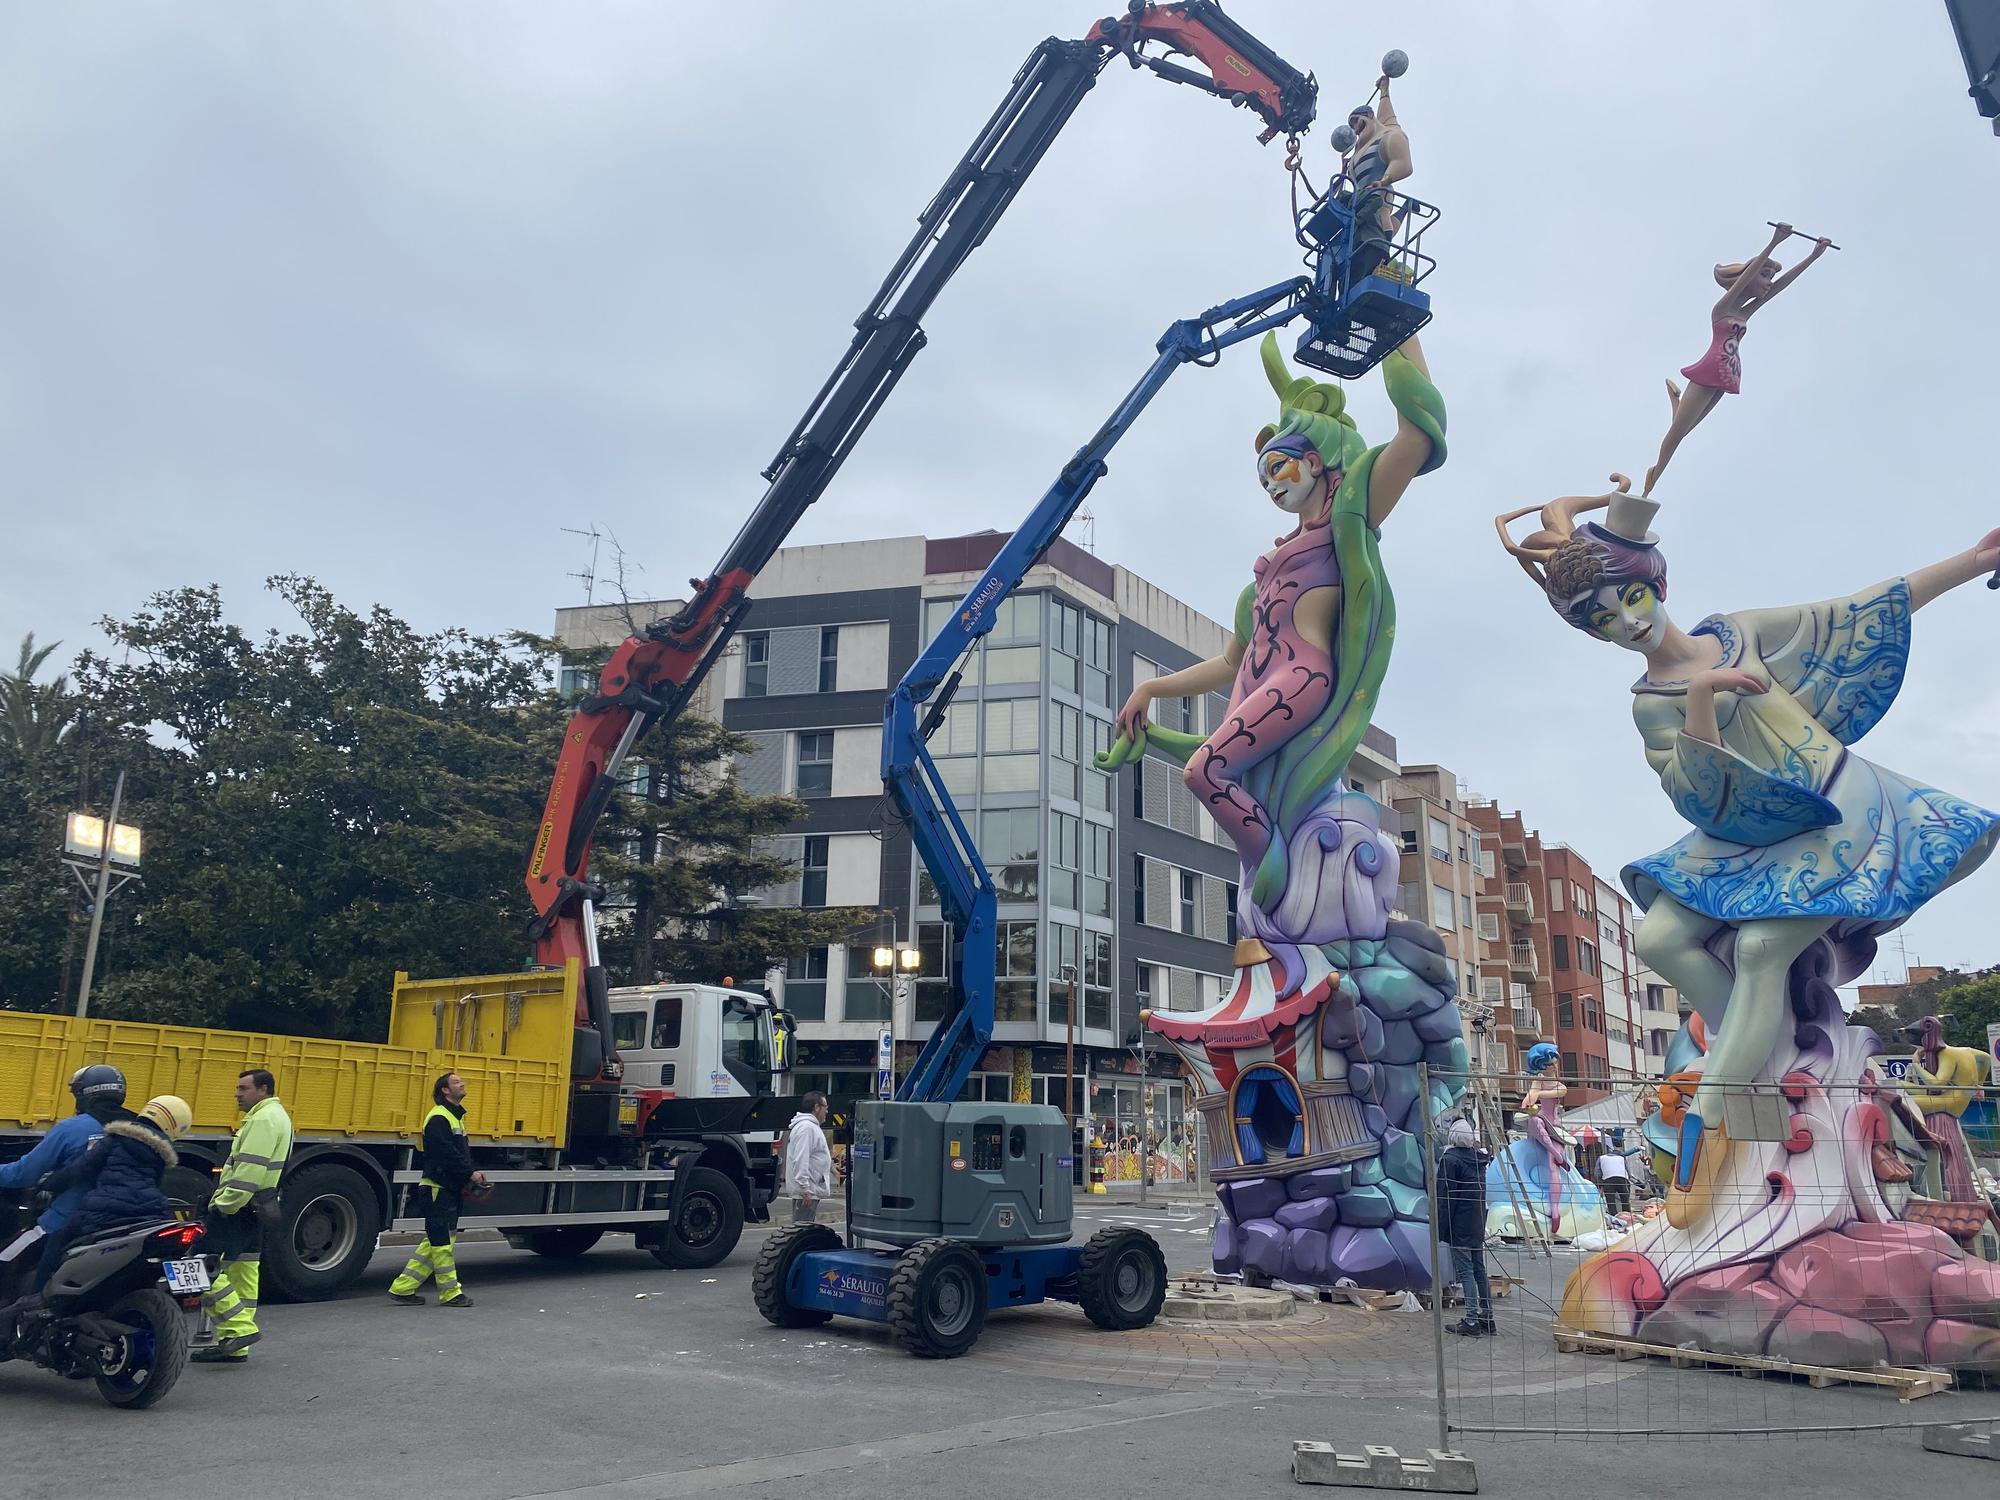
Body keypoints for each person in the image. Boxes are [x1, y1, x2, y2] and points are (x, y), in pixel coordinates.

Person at [1498, 483, 2000, 1226]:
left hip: (1833, 807)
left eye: (1628, 600)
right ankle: (1757, 1059)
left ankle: (1717, 1116)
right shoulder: (1648, 700)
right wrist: (1700, 698)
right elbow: (1689, 790)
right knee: (1657, 935)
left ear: (1653, 583)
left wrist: (1975, 559)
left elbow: (1850, 617)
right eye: (1602, 620)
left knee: (1765, 948)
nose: (1625, 623)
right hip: (1744, 828)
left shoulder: (1737, 632)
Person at [1642, 223, 1832, 495]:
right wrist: (1774, 242)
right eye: (1764, 275)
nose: (1768, 283)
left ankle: (1677, 404)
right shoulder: (1723, 309)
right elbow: (1745, 280)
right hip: (1710, 370)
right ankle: (1653, 477)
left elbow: (1781, 287)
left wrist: (1813, 257)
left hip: (1727, 373)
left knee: (1686, 428)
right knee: (1676, 435)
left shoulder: (1745, 313)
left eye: (1768, 276)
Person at [33, 1095, 193, 1285]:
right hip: (150, 1212)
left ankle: (36, 1295)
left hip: (102, 1209)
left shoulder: (115, 1139)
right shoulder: (162, 1154)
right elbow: (155, 1184)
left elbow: (80, 1169)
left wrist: (47, 1184)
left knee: (57, 1239)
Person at [195, 1068, 295, 1364]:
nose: (236, 1094)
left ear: (262, 1090)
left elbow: (249, 1170)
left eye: (243, 1088)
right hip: (257, 1208)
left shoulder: (263, 1119)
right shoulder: (276, 1116)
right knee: (244, 1271)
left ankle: (238, 1330)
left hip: (237, 1208)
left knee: (195, 1266)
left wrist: (224, 1205)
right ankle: (236, 1344)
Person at [0, 1065, 126, 1284]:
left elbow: (22, 1174)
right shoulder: (136, 1127)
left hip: (67, 1222)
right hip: (122, 1223)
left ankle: (26, 1312)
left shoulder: (73, 1128)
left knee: (6, 1259)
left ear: (83, 1094)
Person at [388, 1072, 487, 1308]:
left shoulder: (453, 1117)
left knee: (436, 1241)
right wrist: (469, 1173)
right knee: (442, 1243)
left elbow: (459, 1154)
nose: (462, 1083)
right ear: (444, 1090)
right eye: (456, 1082)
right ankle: (451, 1293)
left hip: (445, 1188)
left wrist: (470, 1172)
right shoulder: (439, 1118)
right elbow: (446, 1154)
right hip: (437, 1189)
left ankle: (402, 1288)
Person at [1438, 1118, 1493, 1337]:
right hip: (1477, 1223)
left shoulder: (1449, 1160)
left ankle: (1471, 1320)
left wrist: (1442, 1228)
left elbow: (1444, 1197)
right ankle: (1487, 1317)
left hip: (1459, 1225)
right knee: (1479, 1270)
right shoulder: (1478, 1160)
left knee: (1466, 1271)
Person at [784, 1091, 833, 1226]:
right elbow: (801, 1159)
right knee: (801, 1230)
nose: (827, 1111)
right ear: (817, 1107)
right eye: (825, 1107)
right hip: (807, 1191)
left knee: (803, 1229)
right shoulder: (807, 1128)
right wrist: (805, 1190)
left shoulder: (809, 1127)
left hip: (809, 1189)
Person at [1595, 1146, 1632, 1217]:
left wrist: (1601, 1181)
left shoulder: (1601, 1158)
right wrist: (1629, 1179)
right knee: (1625, 1200)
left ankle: (1613, 1217)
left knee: (1610, 1201)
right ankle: (1627, 1216)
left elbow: (1597, 1173)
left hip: (1608, 1180)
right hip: (1622, 1179)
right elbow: (1628, 1171)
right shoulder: (1621, 1158)